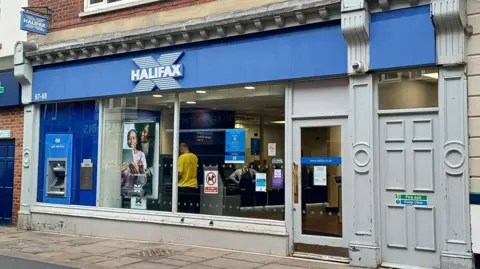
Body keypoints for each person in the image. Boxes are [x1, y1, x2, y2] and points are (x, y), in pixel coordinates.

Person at [121, 129, 147, 197]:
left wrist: (137, 174)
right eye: (129, 139)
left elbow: (143, 181)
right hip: (124, 192)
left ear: (137, 140)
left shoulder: (141, 155)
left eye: (134, 138)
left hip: (136, 192)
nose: (131, 141)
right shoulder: (121, 155)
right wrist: (121, 174)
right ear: (127, 141)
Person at [178, 143, 199, 213]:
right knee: (192, 209)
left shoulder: (181, 157)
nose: (179, 150)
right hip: (193, 186)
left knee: (183, 209)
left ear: (183, 147)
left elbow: (180, 173)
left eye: (180, 148)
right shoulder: (195, 157)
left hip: (183, 186)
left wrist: (175, 181)